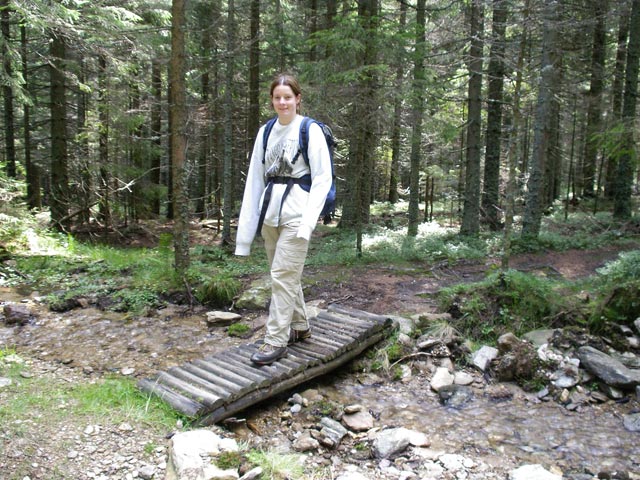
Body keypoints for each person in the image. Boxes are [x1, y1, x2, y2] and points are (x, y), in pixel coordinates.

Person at [235, 73, 333, 366]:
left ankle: (275, 340)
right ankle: (301, 327)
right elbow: (255, 179)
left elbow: (322, 179)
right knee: (286, 276)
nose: (282, 102)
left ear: (297, 99)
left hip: (297, 215)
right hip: (270, 216)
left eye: (287, 97)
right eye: (277, 97)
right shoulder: (265, 132)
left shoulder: (309, 129)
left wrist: (307, 224)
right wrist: (245, 235)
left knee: (281, 276)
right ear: (272, 100)